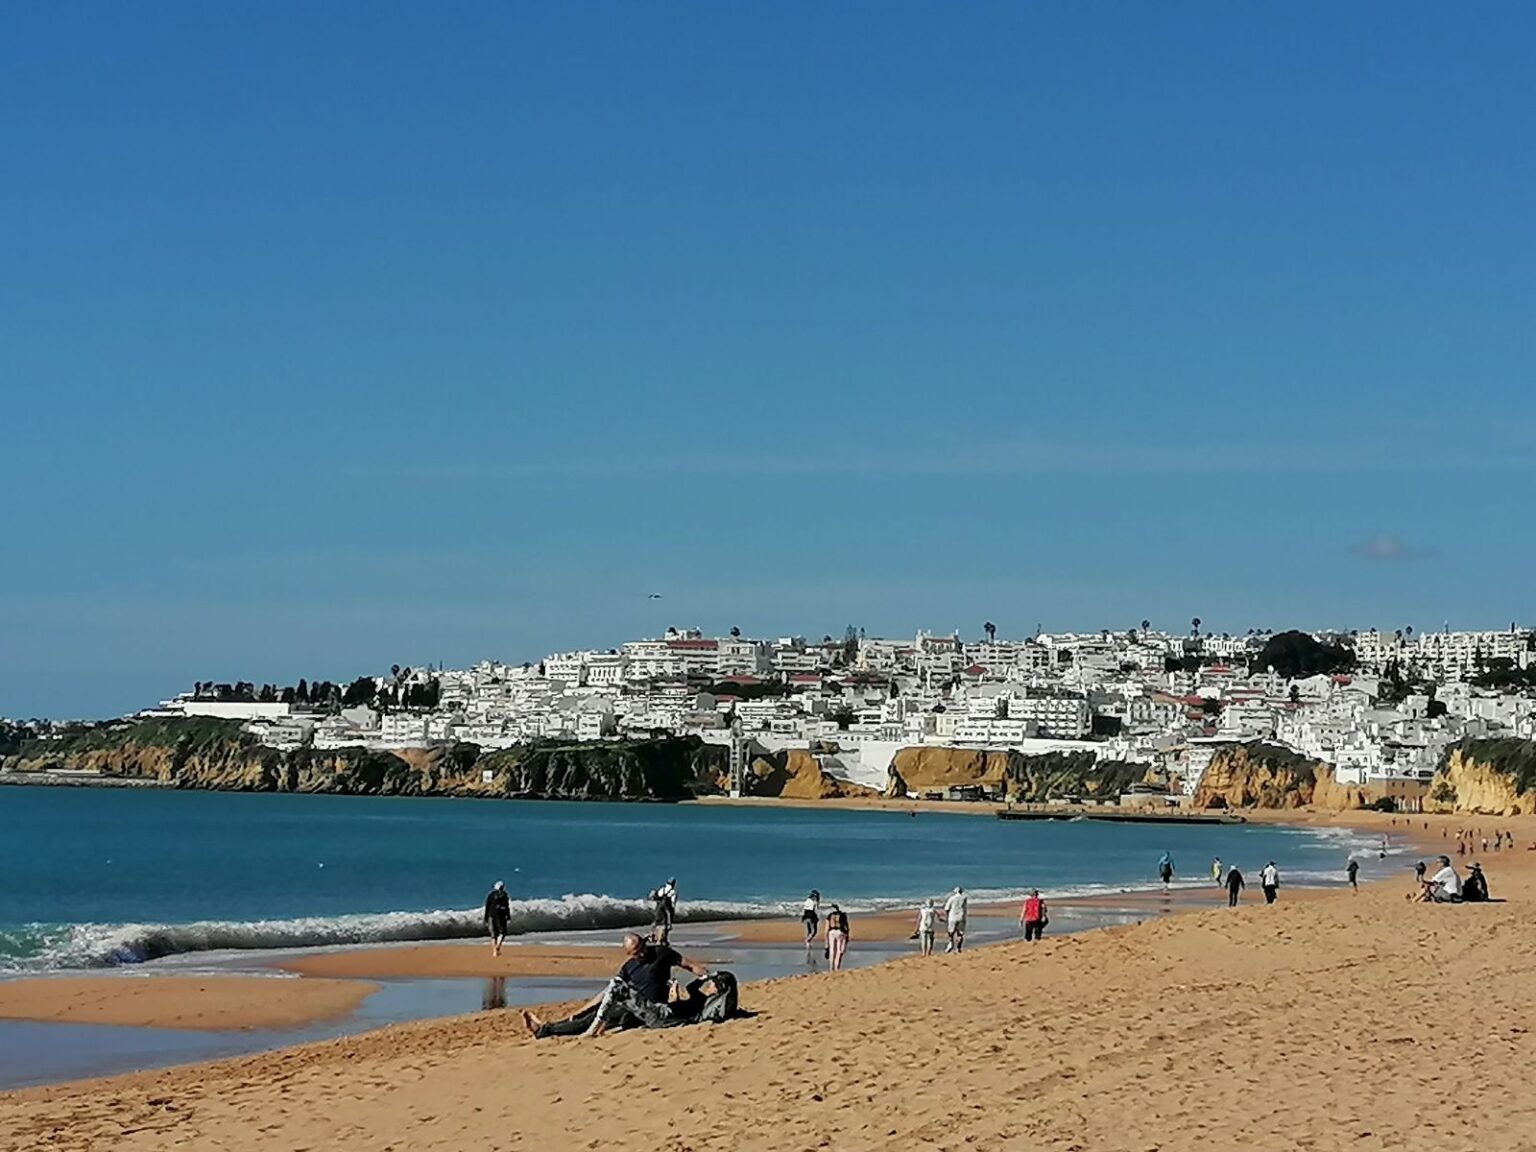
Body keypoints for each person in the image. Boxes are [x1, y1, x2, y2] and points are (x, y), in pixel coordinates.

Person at [522, 932, 712, 1038]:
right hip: (628, 1007)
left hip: (650, 1008)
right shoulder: (629, 966)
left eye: (641, 948)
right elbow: (609, 991)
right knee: (587, 1015)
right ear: (629, 954)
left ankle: (545, 1030)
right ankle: (549, 1028)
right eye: (636, 952)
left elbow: (689, 965)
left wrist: (708, 976)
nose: (641, 954)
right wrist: (581, 1009)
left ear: (644, 943)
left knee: (591, 1020)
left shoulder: (662, 953)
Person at [483, 880, 511, 957]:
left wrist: (486, 917)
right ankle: (497, 947)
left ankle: (495, 950)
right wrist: (508, 915)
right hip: (501, 916)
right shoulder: (504, 895)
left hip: (491, 915)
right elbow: (507, 906)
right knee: (502, 933)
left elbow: (487, 906)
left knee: (493, 935)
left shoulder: (491, 895)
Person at [650, 877, 677, 942]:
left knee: (656, 923)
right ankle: (662, 940)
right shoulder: (673, 892)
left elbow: (657, 896)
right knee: (665, 926)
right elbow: (673, 903)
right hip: (666, 909)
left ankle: (653, 937)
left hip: (659, 908)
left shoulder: (662, 888)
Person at [943, 886, 969, 953]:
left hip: (952, 917)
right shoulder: (964, 898)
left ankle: (950, 943)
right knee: (960, 933)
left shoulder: (952, 898)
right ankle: (958, 948)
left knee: (951, 932)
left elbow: (947, 908)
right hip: (961, 917)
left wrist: (947, 916)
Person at [825, 904, 850, 970]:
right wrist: (847, 935)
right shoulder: (843, 915)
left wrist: (826, 944)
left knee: (832, 950)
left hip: (832, 932)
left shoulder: (830, 916)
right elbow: (846, 927)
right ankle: (837, 967)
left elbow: (827, 928)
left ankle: (831, 967)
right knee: (839, 950)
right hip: (840, 932)